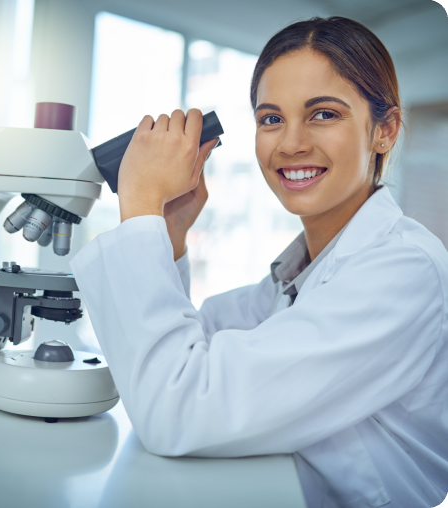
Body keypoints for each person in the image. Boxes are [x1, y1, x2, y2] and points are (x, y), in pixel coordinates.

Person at [70, 16, 448, 508]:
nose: (290, 143)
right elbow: (176, 354)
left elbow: (176, 408)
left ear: (385, 130)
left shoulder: (402, 271)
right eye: (271, 119)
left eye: (324, 114)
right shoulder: (298, 275)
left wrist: (139, 202)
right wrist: (168, 231)